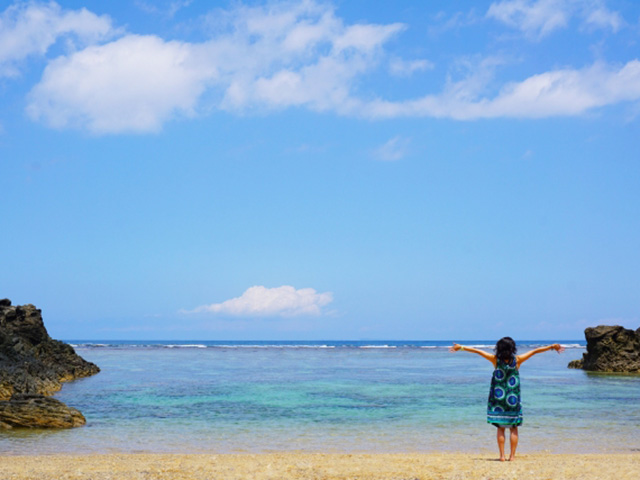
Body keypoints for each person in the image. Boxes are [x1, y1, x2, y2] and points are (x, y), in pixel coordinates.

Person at [449, 338, 564, 461]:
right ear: (512, 348)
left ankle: (502, 456)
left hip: (499, 400)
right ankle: (512, 456)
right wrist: (552, 346)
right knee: (514, 428)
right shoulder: (518, 360)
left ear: (499, 348)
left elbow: (478, 351)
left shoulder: (495, 360)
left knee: (500, 428)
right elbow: (535, 351)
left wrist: (461, 347)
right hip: (513, 400)